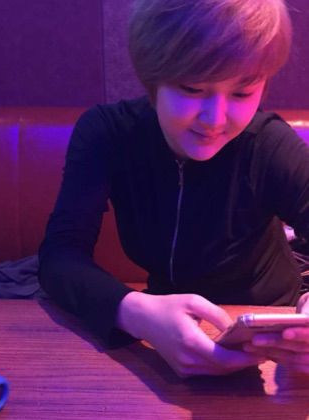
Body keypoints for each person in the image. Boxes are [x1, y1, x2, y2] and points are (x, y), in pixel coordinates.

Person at [39, 0, 309, 377]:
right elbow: (60, 255)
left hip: (271, 337)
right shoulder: (108, 134)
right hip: (162, 334)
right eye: (193, 88)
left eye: (242, 92)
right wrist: (136, 313)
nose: (215, 119)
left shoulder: (268, 144)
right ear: (154, 76)